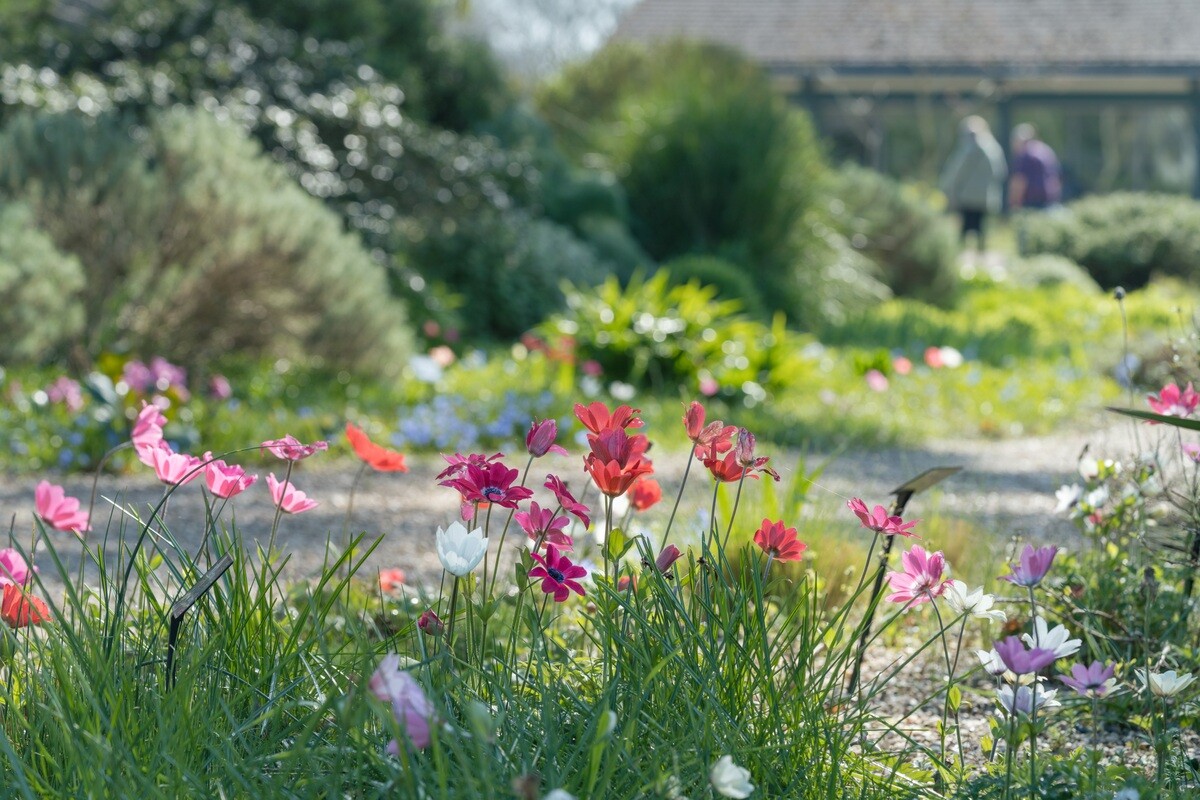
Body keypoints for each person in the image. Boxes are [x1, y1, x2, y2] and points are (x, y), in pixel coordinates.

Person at [940, 116, 1007, 251]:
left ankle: (964, 260)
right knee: (982, 231)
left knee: (965, 232)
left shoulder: (969, 148)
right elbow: (1001, 172)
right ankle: (980, 258)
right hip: (986, 197)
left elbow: (956, 172)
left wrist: (948, 189)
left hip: (967, 197)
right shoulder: (994, 148)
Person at [1008, 123, 1062, 210]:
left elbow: (1019, 182)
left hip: (1032, 204)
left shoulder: (1025, 154)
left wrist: (1013, 205)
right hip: (1051, 201)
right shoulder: (1046, 150)